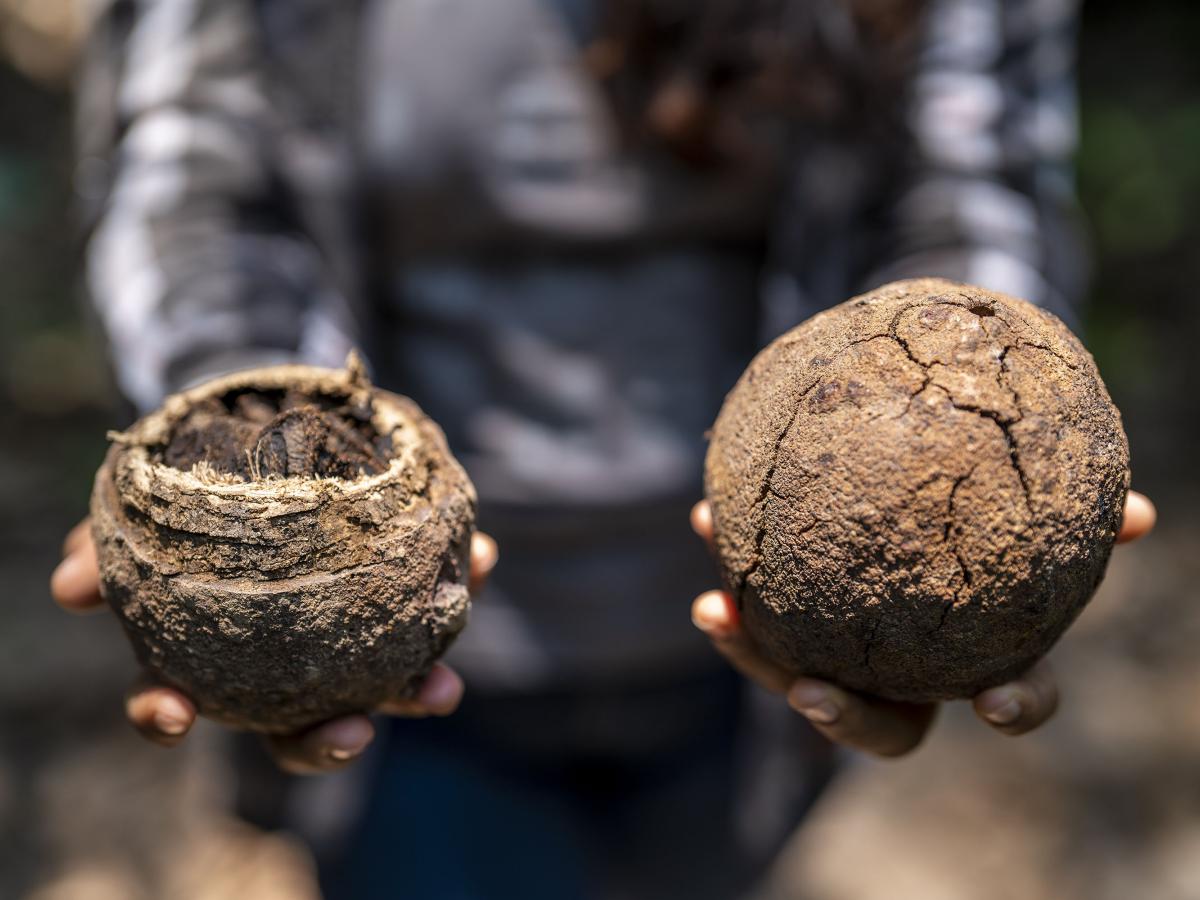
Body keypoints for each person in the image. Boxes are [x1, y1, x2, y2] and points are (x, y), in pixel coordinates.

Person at [52, 1, 1157, 897]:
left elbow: (969, 182)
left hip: (756, 666)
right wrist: (249, 484)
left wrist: (992, 452)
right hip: (421, 679)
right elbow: (191, 185)